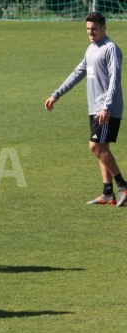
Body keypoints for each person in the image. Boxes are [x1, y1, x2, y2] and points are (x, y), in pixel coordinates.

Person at [45, 12, 127, 206]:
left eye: (94, 29)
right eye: (88, 29)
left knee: (95, 146)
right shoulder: (91, 50)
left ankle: (123, 186)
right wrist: (56, 94)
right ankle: (108, 193)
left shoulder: (111, 49)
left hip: (107, 109)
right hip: (94, 108)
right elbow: (77, 73)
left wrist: (106, 107)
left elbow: (115, 80)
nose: (90, 32)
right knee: (102, 148)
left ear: (104, 28)